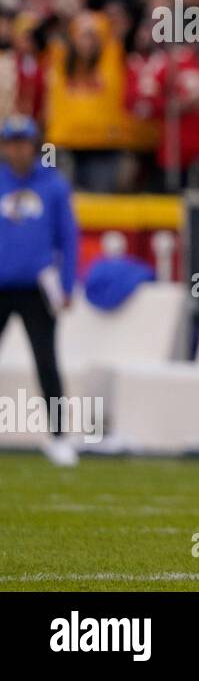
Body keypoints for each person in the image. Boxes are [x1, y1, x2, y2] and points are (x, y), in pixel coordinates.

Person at [0, 115, 79, 466]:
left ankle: (60, 436)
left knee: (47, 362)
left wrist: (66, 284)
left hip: (37, 288)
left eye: (24, 142)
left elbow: (69, 237)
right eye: (11, 142)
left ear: (34, 145)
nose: (18, 149)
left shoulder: (54, 185)